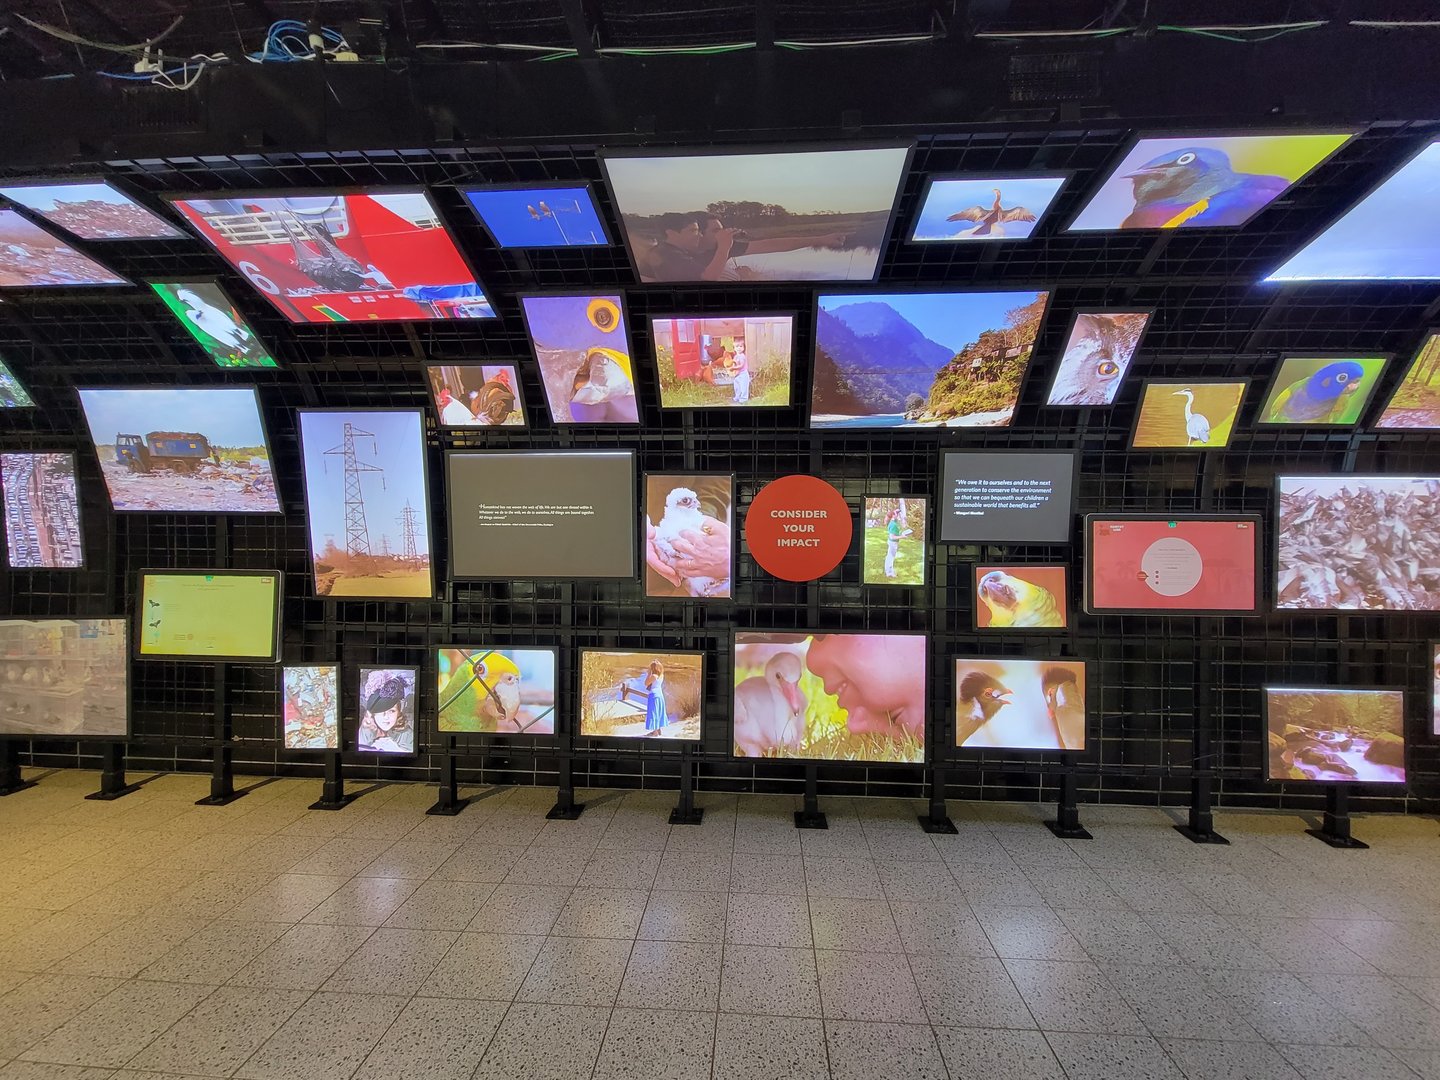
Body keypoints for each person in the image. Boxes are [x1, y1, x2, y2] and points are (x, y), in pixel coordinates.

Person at [359, 674, 414, 753]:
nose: (386, 717)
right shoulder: (365, 731)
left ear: (398, 712)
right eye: (380, 712)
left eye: (391, 711)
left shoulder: (408, 735)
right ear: (372, 714)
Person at [643, 660, 667, 736]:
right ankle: (658, 730)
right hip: (660, 695)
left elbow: (646, 683)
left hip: (653, 695)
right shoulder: (661, 675)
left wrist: (648, 673)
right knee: (658, 712)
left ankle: (655, 732)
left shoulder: (654, 676)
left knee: (653, 713)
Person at [884, 508, 904, 579]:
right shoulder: (893, 525)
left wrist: (897, 510)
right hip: (893, 543)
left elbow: (898, 520)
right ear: (893, 515)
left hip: (892, 543)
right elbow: (892, 537)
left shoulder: (894, 522)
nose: (898, 514)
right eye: (896, 513)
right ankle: (889, 573)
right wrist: (902, 536)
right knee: (890, 558)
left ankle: (889, 571)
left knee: (889, 557)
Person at [730, 339, 751, 404]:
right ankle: (737, 396)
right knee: (737, 386)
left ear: (744, 348)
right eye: (737, 346)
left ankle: (744, 398)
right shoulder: (735, 356)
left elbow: (741, 365)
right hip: (737, 374)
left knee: (743, 386)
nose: (739, 348)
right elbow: (733, 363)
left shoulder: (742, 356)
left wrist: (733, 368)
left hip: (743, 374)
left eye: (741, 346)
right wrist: (731, 367)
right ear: (734, 348)